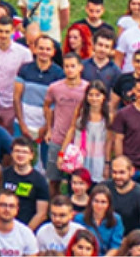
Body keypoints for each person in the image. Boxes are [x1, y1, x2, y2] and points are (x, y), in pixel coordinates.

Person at [45, 53, 90, 186]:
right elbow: (47, 106)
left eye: (73, 66)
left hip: (78, 142)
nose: (69, 69)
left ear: (80, 68)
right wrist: (49, 129)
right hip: (58, 138)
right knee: (54, 179)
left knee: (78, 181)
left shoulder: (87, 89)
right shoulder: (55, 88)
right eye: (66, 66)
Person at [14, 34, 65, 151]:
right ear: (34, 49)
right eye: (41, 48)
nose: (44, 52)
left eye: (48, 49)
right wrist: (22, 124)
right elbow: (17, 98)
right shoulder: (24, 69)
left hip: (45, 124)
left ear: (53, 52)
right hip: (22, 123)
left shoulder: (59, 74)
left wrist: (46, 127)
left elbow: (57, 104)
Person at [0, 17, 33, 132]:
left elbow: (27, 80)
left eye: (7, 32)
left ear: (13, 32)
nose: (4, 35)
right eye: (0, 31)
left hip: (14, 104)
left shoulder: (24, 53)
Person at [2, 138, 50, 230]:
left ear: (31, 155)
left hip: (27, 228)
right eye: (17, 151)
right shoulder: (3, 175)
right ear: (12, 154)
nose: (20, 155)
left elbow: (41, 214)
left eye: (24, 152)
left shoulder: (39, 181)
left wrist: (25, 233)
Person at [0, 191, 39, 256]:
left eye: (11, 206)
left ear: (17, 209)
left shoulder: (26, 234)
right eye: (3, 205)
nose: (7, 209)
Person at [107, 157, 140, 240]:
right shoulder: (104, 188)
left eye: (122, 172)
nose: (117, 176)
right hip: (107, 238)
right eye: (114, 172)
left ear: (131, 171)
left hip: (131, 241)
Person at [77, 184, 124, 253]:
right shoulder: (79, 218)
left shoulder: (116, 219)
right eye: (96, 201)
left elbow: (115, 246)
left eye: (103, 202)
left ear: (109, 204)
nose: (99, 205)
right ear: (91, 202)